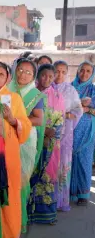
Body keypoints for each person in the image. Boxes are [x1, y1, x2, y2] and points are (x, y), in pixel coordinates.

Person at [0, 61, 32, 238]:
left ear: (7, 78)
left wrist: (13, 120)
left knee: (9, 194)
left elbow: (26, 126)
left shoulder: (14, 98)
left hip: (8, 155)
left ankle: (9, 233)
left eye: (1, 74)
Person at [8, 58, 46, 233]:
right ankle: (6, 219)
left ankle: (19, 221)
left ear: (33, 76)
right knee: (6, 180)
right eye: (20, 70)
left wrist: (17, 122)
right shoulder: (7, 89)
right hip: (7, 138)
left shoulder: (35, 95)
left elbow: (38, 119)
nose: (23, 74)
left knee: (20, 182)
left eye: (28, 72)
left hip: (25, 141)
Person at [28, 64, 65, 225]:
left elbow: (61, 119)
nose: (47, 79)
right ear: (38, 76)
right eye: (44, 75)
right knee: (30, 175)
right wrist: (39, 131)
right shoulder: (31, 94)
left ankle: (47, 215)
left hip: (50, 143)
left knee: (47, 176)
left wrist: (51, 132)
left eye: (51, 76)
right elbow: (27, 116)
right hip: (32, 139)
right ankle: (29, 213)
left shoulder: (58, 96)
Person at [53, 61, 83, 211]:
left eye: (63, 72)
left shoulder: (70, 90)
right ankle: (48, 201)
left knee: (64, 165)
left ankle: (61, 201)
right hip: (50, 133)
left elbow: (79, 109)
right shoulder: (46, 87)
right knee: (49, 165)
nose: (60, 75)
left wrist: (71, 114)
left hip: (66, 134)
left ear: (67, 74)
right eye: (57, 71)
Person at [70, 61, 95, 206]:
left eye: (88, 71)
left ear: (92, 73)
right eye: (82, 70)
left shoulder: (93, 90)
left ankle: (83, 194)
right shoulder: (70, 88)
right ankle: (69, 192)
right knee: (70, 160)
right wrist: (79, 105)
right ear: (77, 71)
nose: (84, 73)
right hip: (70, 130)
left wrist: (88, 109)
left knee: (84, 160)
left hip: (87, 132)